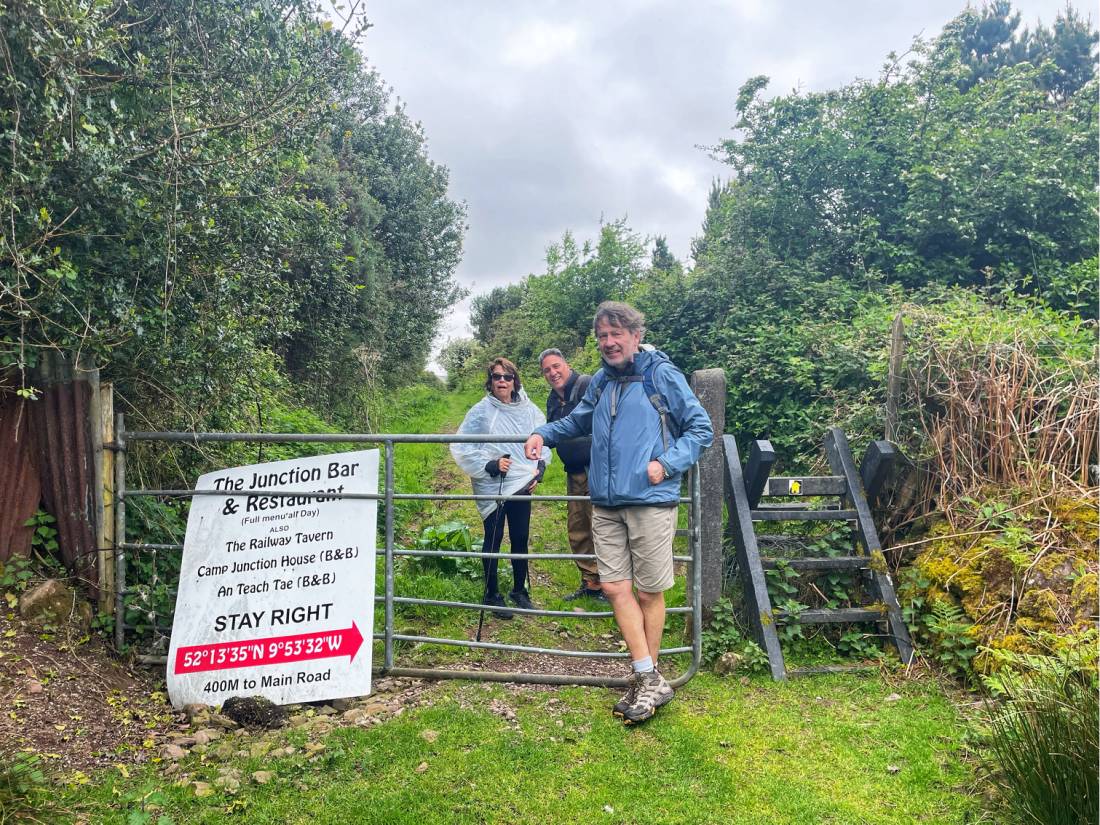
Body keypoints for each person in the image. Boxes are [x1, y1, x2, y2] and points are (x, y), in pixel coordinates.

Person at [525, 302, 712, 724]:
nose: (609, 343)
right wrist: (543, 433)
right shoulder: (603, 383)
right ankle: (650, 677)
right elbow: (576, 421)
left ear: (634, 335)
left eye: (616, 334)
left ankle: (646, 679)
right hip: (606, 502)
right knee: (613, 588)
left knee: (648, 592)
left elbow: (701, 430)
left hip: (649, 499)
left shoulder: (661, 374)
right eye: (602, 336)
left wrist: (666, 463)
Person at [452, 357, 550, 619]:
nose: (502, 381)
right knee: (493, 538)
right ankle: (491, 593)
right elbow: (462, 445)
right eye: (497, 377)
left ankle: (520, 590)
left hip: (521, 482)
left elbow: (544, 440)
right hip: (492, 484)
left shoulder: (529, 410)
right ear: (491, 381)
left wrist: (540, 468)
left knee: (519, 537)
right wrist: (490, 464)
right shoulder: (481, 411)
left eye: (507, 377)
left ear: (515, 381)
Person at [538, 348, 605, 603]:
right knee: (577, 527)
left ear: (566, 364)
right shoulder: (553, 400)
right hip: (574, 472)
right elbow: (554, 433)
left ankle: (611, 586)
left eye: (556, 366)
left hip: (596, 469)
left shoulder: (586, 384)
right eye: (547, 370)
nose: (553, 373)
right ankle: (591, 583)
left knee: (600, 526)